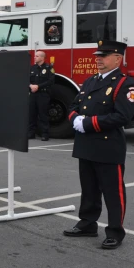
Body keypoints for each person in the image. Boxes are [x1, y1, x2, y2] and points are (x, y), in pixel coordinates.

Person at [64, 40, 134, 250]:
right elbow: (74, 105)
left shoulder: (125, 84)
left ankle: (115, 231)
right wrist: (74, 118)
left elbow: (124, 116)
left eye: (103, 56)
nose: (98, 59)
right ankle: (87, 223)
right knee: (89, 188)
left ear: (118, 59)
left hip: (107, 145)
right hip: (86, 144)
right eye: (97, 56)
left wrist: (88, 123)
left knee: (113, 191)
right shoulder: (90, 81)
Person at [28, 50, 54, 141]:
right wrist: (31, 86)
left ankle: (45, 134)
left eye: (37, 56)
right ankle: (31, 133)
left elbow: (51, 81)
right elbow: (26, 79)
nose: (35, 57)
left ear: (42, 58)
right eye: (35, 56)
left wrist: (38, 86)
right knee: (31, 114)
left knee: (43, 114)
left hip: (43, 94)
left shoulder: (49, 68)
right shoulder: (32, 68)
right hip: (33, 94)